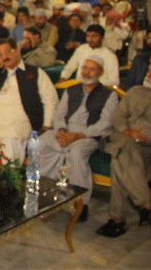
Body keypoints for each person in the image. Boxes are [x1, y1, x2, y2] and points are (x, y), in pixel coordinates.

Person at [96, 60, 151, 237]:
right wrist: (127, 131)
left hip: (148, 149)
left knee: (119, 160)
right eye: (148, 70)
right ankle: (144, 205)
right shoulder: (135, 91)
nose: (148, 74)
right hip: (122, 137)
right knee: (125, 145)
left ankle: (118, 220)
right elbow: (118, 115)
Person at [38, 54, 118, 222]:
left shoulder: (109, 95)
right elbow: (59, 114)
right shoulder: (71, 89)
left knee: (76, 154)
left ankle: (81, 203)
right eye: (84, 68)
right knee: (41, 143)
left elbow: (106, 124)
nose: (87, 72)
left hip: (89, 136)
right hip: (65, 131)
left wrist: (79, 135)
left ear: (101, 72)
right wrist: (60, 130)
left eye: (92, 69)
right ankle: (45, 192)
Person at [0, 38, 59, 160]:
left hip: (21, 118)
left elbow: (50, 99)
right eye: (0, 55)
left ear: (16, 51)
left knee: (11, 134)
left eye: (7, 52)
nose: (5, 56)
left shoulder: (35, 72)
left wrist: (47, 124)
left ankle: (7, 173)